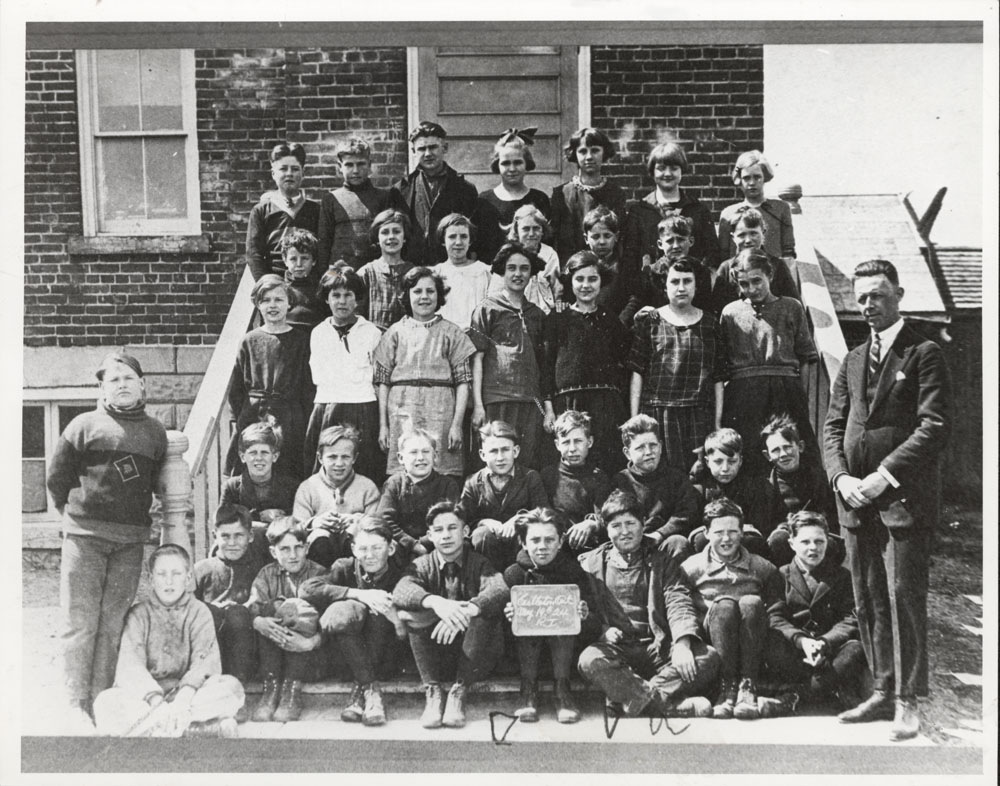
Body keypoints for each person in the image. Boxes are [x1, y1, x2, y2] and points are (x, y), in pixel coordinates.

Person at [823, 258, 951, 741]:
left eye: (877, 294)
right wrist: (839, 478)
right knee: (868, 595)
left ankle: (909, 700)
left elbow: (934, 426)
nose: (868, 305)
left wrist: (884, 475)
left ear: (898, 293)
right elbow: (833, 425)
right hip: (854, 500)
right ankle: (881, 689)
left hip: (902, 499)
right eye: (860, 297)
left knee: (903, 596)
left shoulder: (925, 352)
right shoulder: (854, 358)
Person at [46, 352, 167, 732]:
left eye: (129, 378)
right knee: (80, 621)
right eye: (113, 380)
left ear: (142, 384)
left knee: (113, 622)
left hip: (129, 542)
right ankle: (73, 702)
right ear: (102, 388)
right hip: (85, 538)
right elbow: (56, 477)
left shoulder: (155, 432)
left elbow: (154, 480)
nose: (122, 385)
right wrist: (73, 517)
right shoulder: (83, 425)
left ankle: (101, 699)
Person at [577, 490, 718, 718]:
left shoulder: (662, 561)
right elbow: (585, 610)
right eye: (616, 526)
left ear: (643, 524)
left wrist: (682, 643)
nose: (624, 532)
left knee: (708, 658)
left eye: (630, 523)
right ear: (606, 529)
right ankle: (665, 704)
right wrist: (601, 630)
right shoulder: (589, 564)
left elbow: (677, 599)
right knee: (589, 660)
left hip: (658, 648)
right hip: (616, 650)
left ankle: (627, 697)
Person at [92, 545, 244, 738]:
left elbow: (204, 660)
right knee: (106, 702)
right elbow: (131, 665)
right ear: (151, 579)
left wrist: (184, 698)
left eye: (176, 573)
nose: (169, 581)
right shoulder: (139, 614)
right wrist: (156, 702)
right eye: (162, 574)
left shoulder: (199, 611)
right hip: (148, 698)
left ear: (188, 578)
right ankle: (194, 730)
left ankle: (157, 731)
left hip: (189, 695)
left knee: (231, 688)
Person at [393, 501, 509, 729]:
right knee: (411, 612)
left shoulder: (479, 562)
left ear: (465, 532)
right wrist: (437, 604)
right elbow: (401, 590)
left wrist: (465, 611)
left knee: (482, 611)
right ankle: (433, 691)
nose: (445, 536)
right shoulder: (421, 564)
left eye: (452, 528)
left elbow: (499, 589)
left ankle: (458, 693)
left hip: (475, 656)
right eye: (438, 530)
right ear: (430, 535)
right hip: (437, 654)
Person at [681, 498, 784, 720]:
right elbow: (681, 608)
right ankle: (726, 687)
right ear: (706, 533)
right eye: (718, 532)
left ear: (742, 533)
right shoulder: (691, 568)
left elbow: (776, 607)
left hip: (751, 640)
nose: (726, 539)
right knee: (725, 606)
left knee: (751, 602)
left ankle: (748, 685)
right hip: (712, 640)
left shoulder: (761, 567)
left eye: (732, 532)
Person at [719, 249, 818, 476]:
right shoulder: (730, 313)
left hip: (785, 391)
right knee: (751, 457)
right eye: (744, 284)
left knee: (790, 452)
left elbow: (806, 357)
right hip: (744, 394)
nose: (751, 289)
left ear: (770, 276)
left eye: (757, 281)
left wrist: (800, 394)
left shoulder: (791, 307)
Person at [299, 519, 407, 726]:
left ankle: (360, 692)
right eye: (363, 548)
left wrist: (397, 617)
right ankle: (370, 691)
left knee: (379, 610)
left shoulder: (401, 571)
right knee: (344, 612)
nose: (370, 555)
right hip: (346, 659)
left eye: (377, 548)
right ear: (353, 549)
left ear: (391, 548)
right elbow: (307, 589)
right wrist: (357, 594)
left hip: (387, 657)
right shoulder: (345, 568)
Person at [373, 266, 477, 478]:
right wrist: (384, 425)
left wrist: (456, 425)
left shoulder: (452, 332)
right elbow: (382, 382)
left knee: (441, 468)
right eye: (417, 291)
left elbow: (463, 382)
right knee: (405, 465)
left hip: (441, 409)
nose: (424, 297)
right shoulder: (394, 333)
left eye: (430, 291)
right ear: (407, 295)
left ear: (439, 295)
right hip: (401, 408)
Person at [503, 508, 601, 723]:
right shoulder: (514, 574)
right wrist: (509, 615)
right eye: (535, 540)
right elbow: (499, 627)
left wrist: (583, 614)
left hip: (565, 657)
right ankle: (528, 691)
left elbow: (595, 621)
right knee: (527, 619)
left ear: (560, 541)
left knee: (561, 620)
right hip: (526, 658)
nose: (542, 547)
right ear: (523, 542)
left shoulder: (573, 573)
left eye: (549, 540)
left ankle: (562, 692)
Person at [629, 257, 725, 470]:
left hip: (698, 414)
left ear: (696, 285)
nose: (681, 288)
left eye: (687, 281)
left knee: (697, 476)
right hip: (658, 412)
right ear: (664, 285)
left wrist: (717, 423)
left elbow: (718, 378)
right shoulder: (651, 321)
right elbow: (637, 373)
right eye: (674, 282)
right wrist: (635, 419)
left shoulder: (710, 324)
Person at [765, 512, 867, 709]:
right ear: (792, 543)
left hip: (829, 652)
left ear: (827, 542)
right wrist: (802, 641)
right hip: (794, 651)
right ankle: (823, 691)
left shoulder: (841, 576)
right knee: (772, 643)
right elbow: (775, 617)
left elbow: (850, 618)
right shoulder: (779, 575)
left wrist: (824, 642)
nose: (813, 548)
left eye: (819, 541)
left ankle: (795, 697)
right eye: (805, 542)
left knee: (855, 650)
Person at [542, 251, 631, 474]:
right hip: (569, 403)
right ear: (570, 282)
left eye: (593, 279)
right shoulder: (557, 319)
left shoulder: (611, 320)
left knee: (605, 463)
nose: (586, 285)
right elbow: (546, 365)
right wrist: (549, 408)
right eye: (579, 279)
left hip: (605, 405)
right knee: (573, 461)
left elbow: (624, 361)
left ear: (602, 282)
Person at [226, 274, 313, 481]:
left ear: (289, 303)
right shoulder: (249, 340)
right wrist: (238, 419)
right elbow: (237, 387)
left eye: (278, 299)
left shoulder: (301, 340)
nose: (272, 306)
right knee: (253, 468)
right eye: (265, 300)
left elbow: (308, 386)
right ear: (257, 304)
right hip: (253, 414)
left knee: (287, 472)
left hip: (289, 417)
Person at [470, 242, 548, 469]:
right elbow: (477, 359)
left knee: (526, 461)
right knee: (495, 459)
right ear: (502, 271)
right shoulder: (487, 308)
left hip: (530, 400)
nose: (518, 274)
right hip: (497, 399)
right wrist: (478, 405)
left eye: (524, 268)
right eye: (511, 268)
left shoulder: (537, 314)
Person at [304, 265, 385, 483]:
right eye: (336, 295)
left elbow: (377, 375)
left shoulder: (371, 332)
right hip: (328, 406)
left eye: (348, 295)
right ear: (327, 299)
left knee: (362, 464)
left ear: (357, 299)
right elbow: (318, 374)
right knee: (327, 463)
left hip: (362, 406)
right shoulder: (319, 332)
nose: (342, 301)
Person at [246, 517, 327, 723]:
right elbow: (252, 607)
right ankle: (271, 689)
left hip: (308, 656)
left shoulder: (319, 573)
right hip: (273, 656)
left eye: (298, 548)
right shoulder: (266, 575)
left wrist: (309, 642)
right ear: (274, 552)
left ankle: (292, 690)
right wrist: (259, 622)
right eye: (284, 549)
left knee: (299, 611)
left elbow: (327, 622)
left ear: (306, 548)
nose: (292, 555)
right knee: (269, 611)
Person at [394, 121, 500, 266]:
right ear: (413, 151)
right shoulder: (401, 190)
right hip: (414, 270)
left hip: (452, 270)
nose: (427, 154)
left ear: (445, 148)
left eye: (433, 147)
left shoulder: (464, 189)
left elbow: (474, 237)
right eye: (421, 149)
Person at [193, 505, 267, 695]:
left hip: (246, 650)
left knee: (237, 614)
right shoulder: (202, 569)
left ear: (250, 536)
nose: (232, 542)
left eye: (239, 535)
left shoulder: (260, 568)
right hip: (211, 648)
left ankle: (236, 689)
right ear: (214, 535)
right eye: (225, 536)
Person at [462, 420, 550, 572]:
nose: (500, 457)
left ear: (515, 451)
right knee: (482, 536)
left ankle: (521, 582)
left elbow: (544, 511)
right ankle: (490, 583)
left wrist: (520, 518)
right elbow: (464, 519)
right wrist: (484, 522)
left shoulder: (530, 477)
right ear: (483, 455)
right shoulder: (472, 482)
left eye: (505, 450)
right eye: (493, 451)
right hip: (486, 548)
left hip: (519, 543)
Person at [623, 141, 720, 272]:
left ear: (682, 170)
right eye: (661, 168)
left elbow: (711, 254)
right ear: (653, 171)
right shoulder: (639, 211)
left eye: (674, 168)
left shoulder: (698, 210)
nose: (668, 174)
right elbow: (630, 257)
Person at [612, 414, 699, 559]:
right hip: (631, 544)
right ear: (627, 453)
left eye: (653, 445)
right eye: (640, 448)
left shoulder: (676, 478)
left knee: (678, 543)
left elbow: (686, 513)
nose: (648, 452)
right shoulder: (620, 481)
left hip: (664, 544)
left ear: (660, 446)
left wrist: (660, 534)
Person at [759, 414, 840, 567]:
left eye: (788, 447)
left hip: (816, 535)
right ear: (767, 455)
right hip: (785, 540)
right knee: (778, 540)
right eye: (775, 450)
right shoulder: (767, 486)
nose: (783, 454)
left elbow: (831, 516)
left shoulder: (819, 478)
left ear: (800, 446)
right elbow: (767, 524)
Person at [295, 425, 379, 569]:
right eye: (332, 457)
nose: (339, 463)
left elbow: (378, 525)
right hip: (319, 558)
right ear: (320, 458)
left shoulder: (367, 487)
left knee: (355, 532)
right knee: (320, 537)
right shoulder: (308, 487)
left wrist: (356, 520)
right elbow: (295, 527)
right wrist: (314, 523)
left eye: (345, 457)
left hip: (356, 557)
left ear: (354, 458)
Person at [317, 136, 403, 270]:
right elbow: (324, 243)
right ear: (340, 167)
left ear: (369, 165)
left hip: (375, 270)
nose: (355, 170)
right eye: (349, 165)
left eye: (361, 164)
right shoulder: (331, 199)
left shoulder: (383, 197)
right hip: (341, 272)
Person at [377, 428, 462, 562]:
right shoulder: (394, 483)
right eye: (413, 452)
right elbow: (384, 519)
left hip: (437, 544)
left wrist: (424, 543)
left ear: (435, 456)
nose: (420, 458)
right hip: (402, 546)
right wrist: (412, 545)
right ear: (400, 458)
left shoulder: (447, 485)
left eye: (426, 452)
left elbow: (453, 518)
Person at [688, 428, 770, 558]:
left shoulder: (752, 487)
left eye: (732, 461)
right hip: (710, 549)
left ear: (740, 461)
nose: (725, 468)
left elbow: (759, 525)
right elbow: (694, 527)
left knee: (751, 541)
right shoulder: (699, 490)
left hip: (745, 545)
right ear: (708, 462)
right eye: (718, 461)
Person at [539, 410, 613, 555]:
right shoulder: (548, 475)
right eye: (566, 442)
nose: (572, 449)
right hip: (555, 548)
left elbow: (605, 517)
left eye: (578, 441)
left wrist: (592, 524)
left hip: (590, 549)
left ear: (589, 442)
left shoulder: (598, 477)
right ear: (557, 444)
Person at [550, 126, 628, 264]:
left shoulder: (616, 194)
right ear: (575, 154)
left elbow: (620, 241)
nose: (589, 157)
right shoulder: (562, 194)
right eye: (583, 151)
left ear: (604, 153)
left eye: (595, 151)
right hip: (571, 272)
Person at [246, 142, 320, 281]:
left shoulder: (315, 210)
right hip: (272, 282)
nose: (289, 174)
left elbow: (321, 252)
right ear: (274, 174)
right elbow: (254, 254)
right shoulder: (261, 211)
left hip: (307, 284)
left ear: (303, 173)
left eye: (295, 169)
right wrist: (266, 285)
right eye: (283, 169)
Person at [709, 207, 800, 315]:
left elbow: (793, 305)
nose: (748, 240)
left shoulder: (777, 266)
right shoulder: (726, 268)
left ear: (763, 232)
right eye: (741, 235)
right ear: (733, 237)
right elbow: (717, 309)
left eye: (753, 233)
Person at [717, 149, 795, 261]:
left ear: (765, 178)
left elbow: (789, 252)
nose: (752, 183)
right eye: (746, 178)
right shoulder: (728, 213)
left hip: (774, 274)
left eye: (757, 177)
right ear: (740, 180)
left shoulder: (781, 209)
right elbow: (723, 254)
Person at [221, 421, 299, 526]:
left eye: (264, 452)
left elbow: (298, 521)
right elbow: (224, 520)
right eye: (253, 453)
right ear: (243, 457)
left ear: (275, 456)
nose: (259, 458)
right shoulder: (232, 487)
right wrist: (258, 517)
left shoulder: (290, 487)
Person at [488, 204, 561, 314]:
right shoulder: (507, 253)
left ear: (543, 230)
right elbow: (495, 290)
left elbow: (556, 288)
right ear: (517, 231)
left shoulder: (549, 254)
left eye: (536, 228)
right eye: (526, 229)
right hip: (511, 311)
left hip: (543, 312)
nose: (531, 234)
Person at [636, 216, 714, 313]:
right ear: (660, 244)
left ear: (691, 241)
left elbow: (705, 307)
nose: (676, 246)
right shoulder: (650, 272)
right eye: (669, 241)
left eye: (681, 240)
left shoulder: (700, 271)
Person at [477, 127, 552, 228]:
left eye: (517, 162)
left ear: (526, 163)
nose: (512, 169)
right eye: (505, 163)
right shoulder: (485, 200)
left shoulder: (539, 199)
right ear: (497, 165)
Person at [356, 209, 415, 332]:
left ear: (405, 237)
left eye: (397, 231)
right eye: (385, 232)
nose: (391, 237)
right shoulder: (366, 273)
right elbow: (356, 315)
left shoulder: (413, 273)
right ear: (377, 238)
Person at [432, 213, 493, 331]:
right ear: (443, 240)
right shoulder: (435, 273)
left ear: (470, 240)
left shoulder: (484, 272)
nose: (458, 242)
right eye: (452, 236)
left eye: (464, 236)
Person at [280, 228, 329, 332]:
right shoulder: (280, 289)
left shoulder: (321, 288)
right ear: (285, 260)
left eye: (304, 258)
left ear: (314, 260)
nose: (299, 264)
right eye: (293, 259)